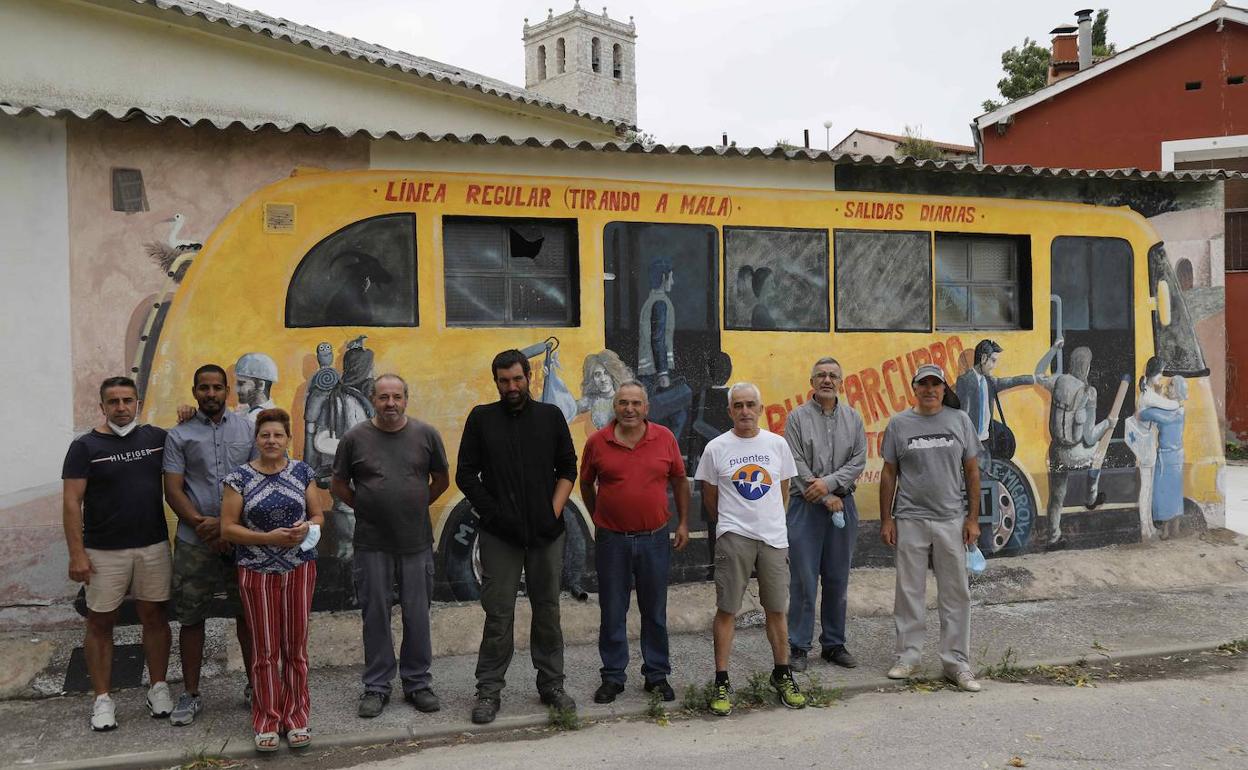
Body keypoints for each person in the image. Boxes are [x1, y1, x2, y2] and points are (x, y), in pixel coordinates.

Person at [456, 350, 579, 725]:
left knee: (548, 611)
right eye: (504, 380)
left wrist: (552, 511)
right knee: (498, 614)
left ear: (529, 377)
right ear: (495, 381)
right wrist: (494, 513)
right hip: (500, 536)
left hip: (546, 534)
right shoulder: (482, 419)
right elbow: (465, 474)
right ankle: (489, 691)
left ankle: (552, 685)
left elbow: (568, 467)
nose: (511, 387)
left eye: (517, 379)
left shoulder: (550, 416)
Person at [331, 374, 449, 718]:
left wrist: (413, 505)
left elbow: (440, 480)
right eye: (383, 397)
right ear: (372, 399)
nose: (390, 403)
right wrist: (366, 506)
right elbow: (339, 484)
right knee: (376, 615)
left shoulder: (426, 435)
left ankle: (417, 683)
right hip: (372, 543)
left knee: (417, 614)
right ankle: (377, 686)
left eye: (397, 396)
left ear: (406, 398)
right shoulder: (355, 438)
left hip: (416, 542)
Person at [62, 376, 173, 732]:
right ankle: (102, 699)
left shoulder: (157, 439)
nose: (121, 408)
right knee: (100, 623)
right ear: (102, 406)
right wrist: (76, 554)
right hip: (102, 551)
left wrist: (187, 415)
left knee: (154, 617)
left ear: (138, 402)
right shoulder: (85, 447)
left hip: (153, 545)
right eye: (114, 402)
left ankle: (157, 687)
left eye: (128, 400)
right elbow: (70, 502)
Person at [695, 382, 805, 716]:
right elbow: (710, 499)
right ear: (729, 411)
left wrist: (768, 522)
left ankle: (782, 673)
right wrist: (734, 524)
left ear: (760, 408)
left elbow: (783, 492)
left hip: (773, 538)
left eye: (751, 405)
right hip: (734, 536)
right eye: (738, 405)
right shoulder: (716, 448)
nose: (745, 411)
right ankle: (722, 680)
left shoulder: (777, 444)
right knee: (727, 609)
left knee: (776, 609)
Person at [579, 381, 690, 704]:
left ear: (646, 408)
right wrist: (599, 515)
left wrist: (682, 522)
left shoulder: (664, 438)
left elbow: (680, 481)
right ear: (615, 407)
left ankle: (656, 675)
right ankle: (613, 677)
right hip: (612, 540)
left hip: (654, 539)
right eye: (623, 403)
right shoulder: (598, 443)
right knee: (613, 610)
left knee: (654, 610)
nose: (629, 409)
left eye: (636, 403)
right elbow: (586, 484)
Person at [220, 409, 322, 752]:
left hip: (299, 568)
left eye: (278, 435)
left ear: (288, 439)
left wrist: (307, 527)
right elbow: (228, 528)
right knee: (264, 650)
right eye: (265, 435)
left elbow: (318, 514)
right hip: (255, 570)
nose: (272, 441)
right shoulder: (239, 479)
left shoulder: (302, 472)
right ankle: (266, 718)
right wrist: (268, 539)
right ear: (256, 440)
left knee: (296, 647)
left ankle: (296, 716)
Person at [879, 363, 983, 693]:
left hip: (951, 518)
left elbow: (972, 472)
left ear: (943, 388)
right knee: (909, 591)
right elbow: (888, 474)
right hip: (910, 517)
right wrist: (886, 518)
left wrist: (972, 519)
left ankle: (957, 663)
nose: (929, 390)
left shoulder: (960, 421)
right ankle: (908, 656)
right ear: (914, 388)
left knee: (956, 592)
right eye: (923, 384)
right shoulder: (899, 424)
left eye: (935, 384)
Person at [163, 364, 256, 726]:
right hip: (194, 540)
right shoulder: (179, 434)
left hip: (241, 539)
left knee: (248, 616)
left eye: (217, 387)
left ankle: (255, 686)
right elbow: (173, 489)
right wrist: (204, 527)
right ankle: (190, 692)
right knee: (190, 618)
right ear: (194, 390)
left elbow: (256, 479)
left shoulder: (247, 429)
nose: (211, 394)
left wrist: (228, 526)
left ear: (227, 390)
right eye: (204, 388)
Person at [784, 358, 866, 672]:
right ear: (812, 382)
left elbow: (858, 460)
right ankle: (798, 647)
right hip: (806, 508)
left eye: (833, 375)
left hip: (843, 505)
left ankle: (833, 644)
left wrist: (830, 487)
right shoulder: (796, 418)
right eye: (821, 375)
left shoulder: (853, 419)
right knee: (803, 580)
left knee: (837, 578)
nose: (827, 380)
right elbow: (794, 461)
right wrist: (823, 495)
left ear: (841, 382)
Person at [1034, 342, 1117, 546]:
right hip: (1076, 453)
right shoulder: (1089, 392)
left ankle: (1053, 535)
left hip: (1056, 451)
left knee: (1056, 494)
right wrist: (1107, 423)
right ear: (1087, 367)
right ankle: (1091, 497)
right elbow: (1089, 438)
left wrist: (1054, 349)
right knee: (1100, 452)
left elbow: (1037, 374)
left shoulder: (1059, 381)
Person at [1140, 375, 1188, 540]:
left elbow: (1146, 414)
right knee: (1172, 493)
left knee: (1166, 493)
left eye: (1172, 386)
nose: (1168, 388)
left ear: (1179, 391)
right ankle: (1173, 528)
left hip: (1169, 457)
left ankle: (1168, 530)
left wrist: (1152, 398)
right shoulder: (1175, 410)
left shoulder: (1175, 413)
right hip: (1172, 457)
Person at [233, 353, 278, 424]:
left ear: (260, 385)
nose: (236, 389)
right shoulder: (245, 412)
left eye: (241, 383)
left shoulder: (258, 418)